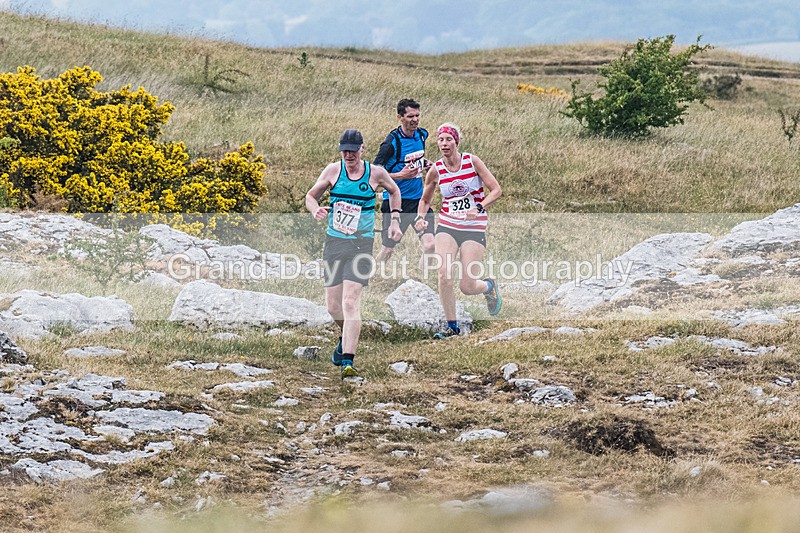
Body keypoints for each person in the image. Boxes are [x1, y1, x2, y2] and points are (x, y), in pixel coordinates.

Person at [306, 129, 403, 378]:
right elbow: (310, 196)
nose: (348, 154)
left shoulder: (376, 173)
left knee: (350, 302)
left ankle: (348, 361)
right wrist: (315, 209)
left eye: (353, 149)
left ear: (362, 149)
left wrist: (394, 221)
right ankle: (345, 338)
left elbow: (394, 191)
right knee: (332, 306)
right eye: (344, 150)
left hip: (361, 244)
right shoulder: (332, 171)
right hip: (335, 242)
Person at [414, 123, 502, 338]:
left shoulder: (472, 161)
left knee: (467, 285)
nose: (444, 144)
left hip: (474, 228)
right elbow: (425, 200)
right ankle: (452, 327)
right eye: (441, 140)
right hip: (447, 226)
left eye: (448, 140)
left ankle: (488, 287)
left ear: (456, 142)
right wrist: (420, 218)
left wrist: (479, 207)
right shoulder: (436, 170)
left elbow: (496, 190)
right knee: (444, 275)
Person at [373, 98, 436, 262]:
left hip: (418, 201)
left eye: (417, 116)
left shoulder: (422, 135)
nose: (415, 120)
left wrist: (425, 164)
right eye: (410, 116)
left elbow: (414, 158)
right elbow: (374, 173)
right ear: (399, 117)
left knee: (430, 245)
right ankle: (372, 275)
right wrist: (400, 176)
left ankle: (424, 281)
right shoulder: (391, 143)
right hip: (396, 202)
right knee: (388, 249)